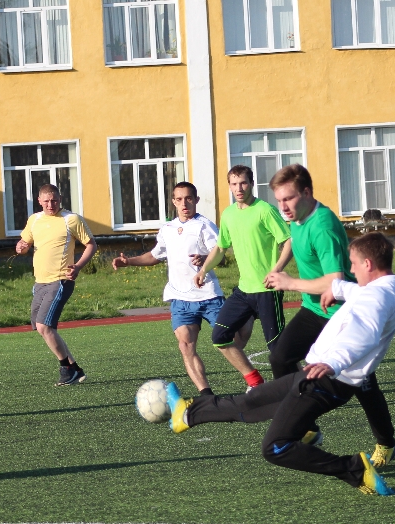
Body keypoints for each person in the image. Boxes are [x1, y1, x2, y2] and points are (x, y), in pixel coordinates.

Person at [166, 232, 395, 497]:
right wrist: (337, 288)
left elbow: (365, 334)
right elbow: (358, 292)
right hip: (316, 376)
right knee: (250, 402)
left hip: (326, 380)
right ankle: (188, 413)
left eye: (354, 264)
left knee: (276, 447)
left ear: (368, 264)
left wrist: (333, 362)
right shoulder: (389, 288)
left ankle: (355, 470)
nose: (351, 269)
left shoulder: (377, 297)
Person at [262, 164, 395, 467]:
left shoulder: (323, 226)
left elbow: (335, 280)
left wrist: (290, 283)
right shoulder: (298, 217)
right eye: (279, 200)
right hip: (315, 307)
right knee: (281, 357)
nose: (283, 206)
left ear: (307, 193)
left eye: (288, 199)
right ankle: (307, 428)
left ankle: (387, 444)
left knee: (363, 383)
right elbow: (295, 241)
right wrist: (278, 268)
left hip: (341, 311)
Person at [112, 182, 225, 395]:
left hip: (208, 295)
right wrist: (129, 262)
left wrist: (205, 259)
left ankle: (253, 380)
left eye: (188, 198)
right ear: (173, 202)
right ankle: (206, 395)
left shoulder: (205, 225)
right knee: (185, 346)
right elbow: (155, 255)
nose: (184, 203)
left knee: (230, 339)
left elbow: (219, 253)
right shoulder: (168, 229)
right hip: (180, 298)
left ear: (196, 200)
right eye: (179, 199)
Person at [195, 166, 292, 390]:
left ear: (252, 184)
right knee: (220, 336)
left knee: (278, 351)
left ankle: (298, 390)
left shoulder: (265, 210)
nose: (239, 188)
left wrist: (277, 269)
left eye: (243, 183)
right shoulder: (228, 214)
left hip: (267, 291)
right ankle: (255, 382)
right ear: (229, 186)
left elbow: (289, 241)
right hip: (244, 291)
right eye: (234, 184)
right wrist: (203, 270)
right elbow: (221, 247)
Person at [15, 183, 97, 386]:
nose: (51, 205)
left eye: (54, 201)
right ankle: (75, 368)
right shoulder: (34, 220)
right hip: (40, 282)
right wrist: (21, 247)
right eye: (47, 201)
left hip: (61, 280)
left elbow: (91, 245)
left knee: (45, 326)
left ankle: (66, 370)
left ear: (60, 199)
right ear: (39, 201)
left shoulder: (71, 219)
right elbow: (23, 246)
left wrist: (78, 266)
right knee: (42, 328)